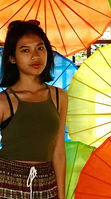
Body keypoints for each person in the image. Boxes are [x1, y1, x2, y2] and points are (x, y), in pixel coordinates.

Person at [0, 20, 67, 199]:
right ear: (12, 58)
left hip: (47, 183)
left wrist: (61, 196)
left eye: (40, 48)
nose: (35, 56)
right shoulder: (3, 101)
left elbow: (59, 151)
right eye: (25, 50)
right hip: (7, 183)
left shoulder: (59, 96)